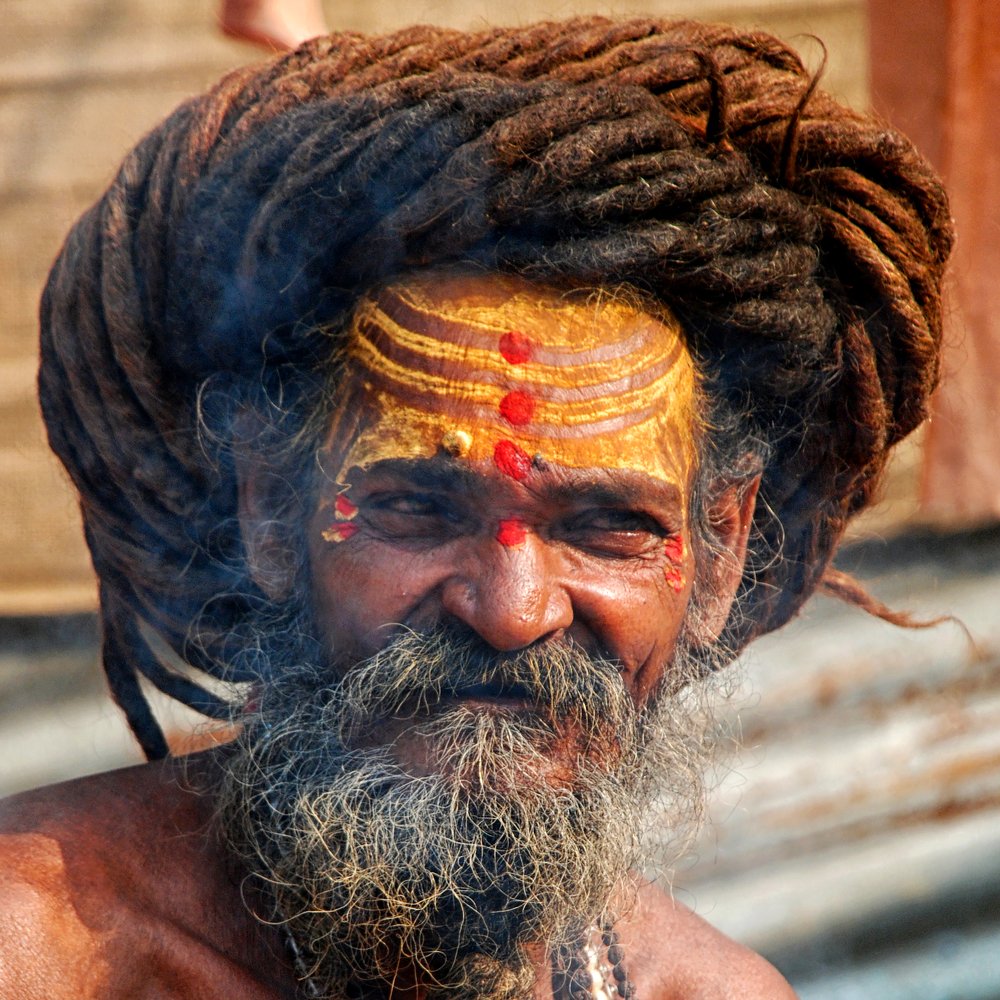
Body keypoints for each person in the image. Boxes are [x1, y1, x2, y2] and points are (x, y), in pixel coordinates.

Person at [0, 17, 952, 1000]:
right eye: (416, 507)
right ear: (273, 517)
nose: (510, 609)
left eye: (608, 526)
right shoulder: (36, 949)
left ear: (719, 553)